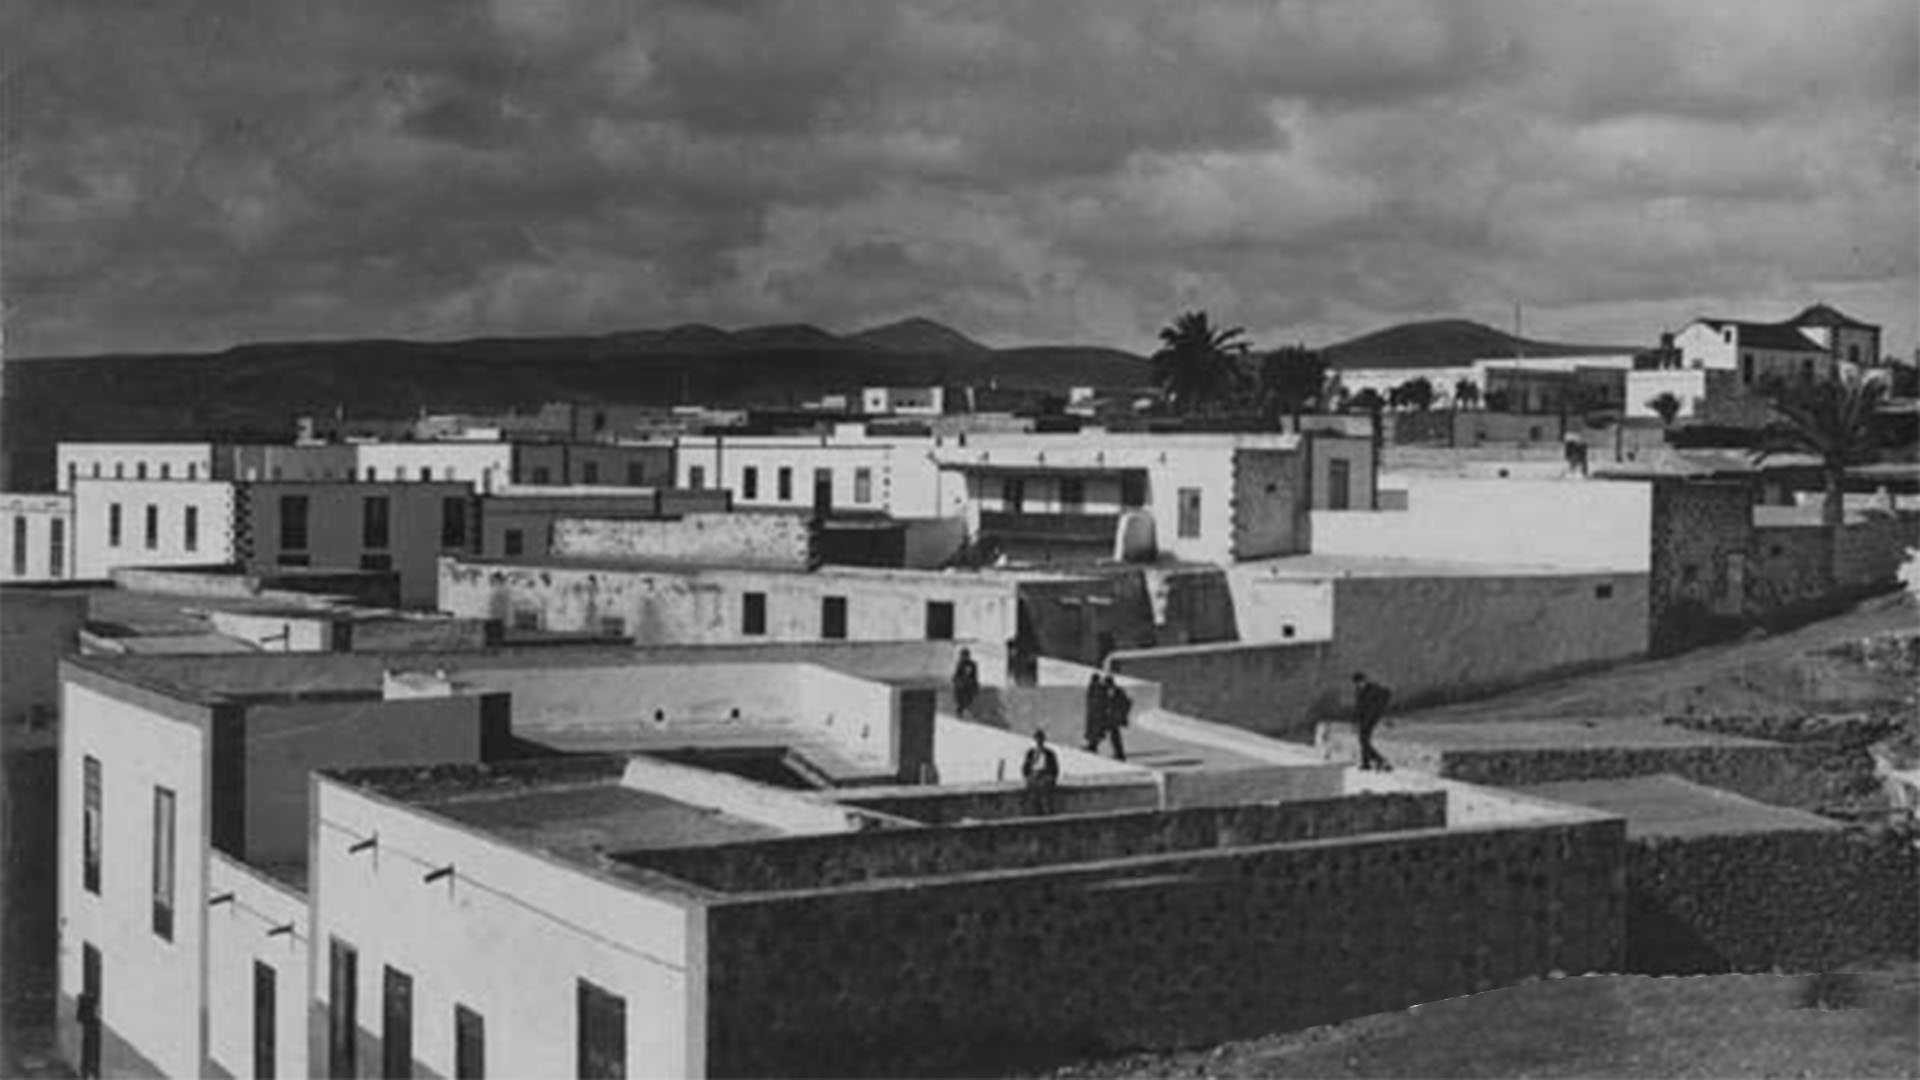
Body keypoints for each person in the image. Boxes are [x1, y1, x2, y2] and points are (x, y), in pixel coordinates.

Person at [1350, 672, 1393, 771]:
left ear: (1364, 680)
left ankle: (1379, 760)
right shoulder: (1359, 691)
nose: (1359, 685)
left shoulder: (1374, 689)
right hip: (1363, 718)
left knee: (1364, 740)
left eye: (1360, 682)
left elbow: (1387, 693)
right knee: (1363, 740)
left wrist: (1380, 710)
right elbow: (1358, 707)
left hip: (1371, 717)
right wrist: (1354, 720)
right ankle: (1366, 763)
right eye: (1357, 683)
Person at [1020, 730, 1060, 815]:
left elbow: (1054, 769)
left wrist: (1049, 777)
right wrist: (1028, 776)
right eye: (1037, 739)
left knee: (1044, 791)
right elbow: (1026, 767)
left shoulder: (1049, 753)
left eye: (1041, 739)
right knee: (1032, 792)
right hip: (1033, 777)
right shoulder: (1031, 753)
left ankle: (1047, 811)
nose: (1039, 742)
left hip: (1045, 778)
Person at [1099, 673, 1130, 761]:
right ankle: (1119, 753)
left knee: (1114, 735)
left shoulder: (1115, 691)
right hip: (1113, 716)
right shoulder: (1114, 690)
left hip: (1114, 717)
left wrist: (1121, 715)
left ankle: (1119, 754)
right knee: (1113, 734)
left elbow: (1125, 703)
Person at [952, 648, 980, 717]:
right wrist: (956, 680)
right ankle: (960, 710)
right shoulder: (959, 663)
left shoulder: (972, 664)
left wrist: (975, 685)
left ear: (968, 656)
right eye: (962, 656)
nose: (963, 657)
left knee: (969, 697)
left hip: (969, 683)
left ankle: (966, 709)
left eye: (964, 656)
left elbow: (974, 676)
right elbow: (956, 674)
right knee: (960, 696)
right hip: (960, 683)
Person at [1083, 672, 1106, 753]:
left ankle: (1093, 746)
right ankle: (1092, 745)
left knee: (1094, 729)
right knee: (1093, 729)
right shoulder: (1096, 686)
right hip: (1094, 711)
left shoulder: (1097, 687)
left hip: (1095, 712)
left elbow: (1096, 700)